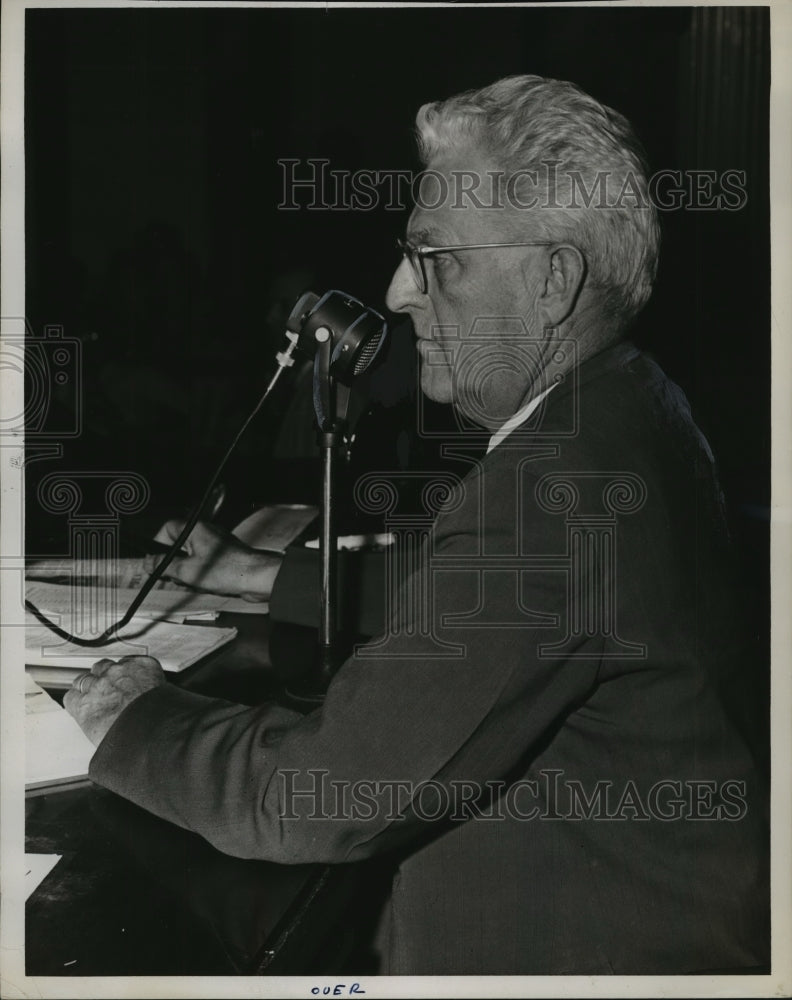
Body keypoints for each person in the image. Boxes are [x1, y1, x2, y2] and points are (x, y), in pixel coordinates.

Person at [64, 75, 768, 975]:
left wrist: (136, 719)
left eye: (436, 260)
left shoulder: (556, 481)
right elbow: (498, 598)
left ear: (552, 278)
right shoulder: (630, 409)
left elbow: (319, 799)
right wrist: (269, 576)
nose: (398, 293)